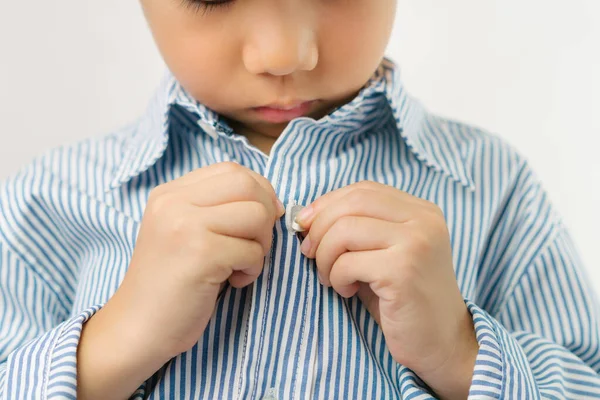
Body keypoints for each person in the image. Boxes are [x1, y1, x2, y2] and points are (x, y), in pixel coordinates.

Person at [1, 0, 599, 399]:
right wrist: (112, 345)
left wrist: (461, 351)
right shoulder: (50, 200)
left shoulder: (495, 188)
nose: (284, 54)